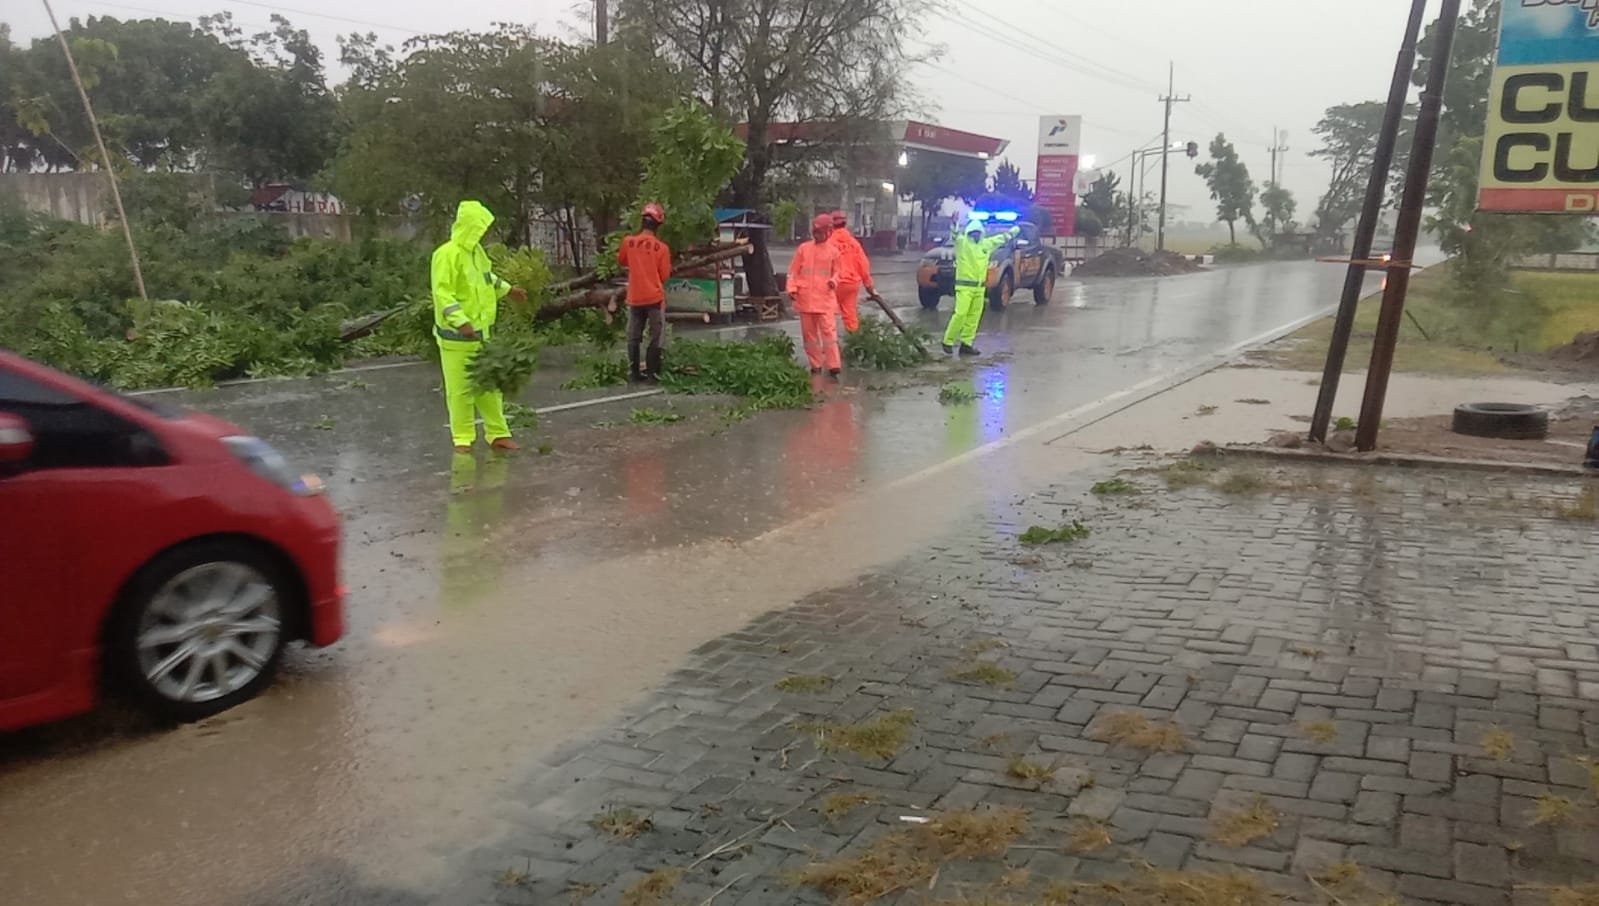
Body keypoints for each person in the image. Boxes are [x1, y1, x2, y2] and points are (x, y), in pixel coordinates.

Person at [432, 200, 527, 453]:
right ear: (468, 227)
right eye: (480, 228)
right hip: (455, 340)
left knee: (490, 387)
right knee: (460, 391)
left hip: (483, 334)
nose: (483, 234)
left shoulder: (477, 254)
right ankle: (463, 438)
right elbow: (443, 295)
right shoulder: (446, 255)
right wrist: (461, 322)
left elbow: (487, 279)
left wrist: (508, 290)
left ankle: (498, 434)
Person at [942, 217, 1019, 356]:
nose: (976, 235)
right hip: (964, 287)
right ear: (969, 232)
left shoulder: (986, 244)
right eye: (974, 232)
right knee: (960, 313)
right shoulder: (962, 243)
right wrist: (954, 223)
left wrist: (1014, 231)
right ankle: (948, 341)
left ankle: (966, 344)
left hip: (979, 288)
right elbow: (955, 234)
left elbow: (1001, 238)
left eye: (978, 232)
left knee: (974, 317)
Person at [617, 202, 673, 383]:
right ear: (658, 225)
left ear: (642, 222)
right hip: (654, 298)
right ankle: (652, 375)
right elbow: (664, 275)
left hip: (634, 298)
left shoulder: (628, 242)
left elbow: (622, 261)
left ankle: (633, 374)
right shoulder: (662, 248)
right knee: (656, 336)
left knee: (633, 336)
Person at [787, 214, 843, 377]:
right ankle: (815, 364)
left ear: (828, 232)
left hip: (825, 300)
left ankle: (833, 365)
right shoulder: (803, 249)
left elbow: (839, 272)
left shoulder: (833, 252)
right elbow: (793, 272)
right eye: (815, 231)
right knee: (809, 336)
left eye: (819, 232)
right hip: (805, 300)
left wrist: (834, 281)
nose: (816, 235)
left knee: (829, 334)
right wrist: (792, 289)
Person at [827, 210, 875, 334]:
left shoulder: (828, 243)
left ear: (831, 225)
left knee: (829, 314)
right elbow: (863, 265)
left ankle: (832, 345)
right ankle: (854, 341)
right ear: (845, 224)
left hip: (833, 285)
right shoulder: (854, 243)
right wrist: (869, 286)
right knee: (850, 315)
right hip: (851, 285)